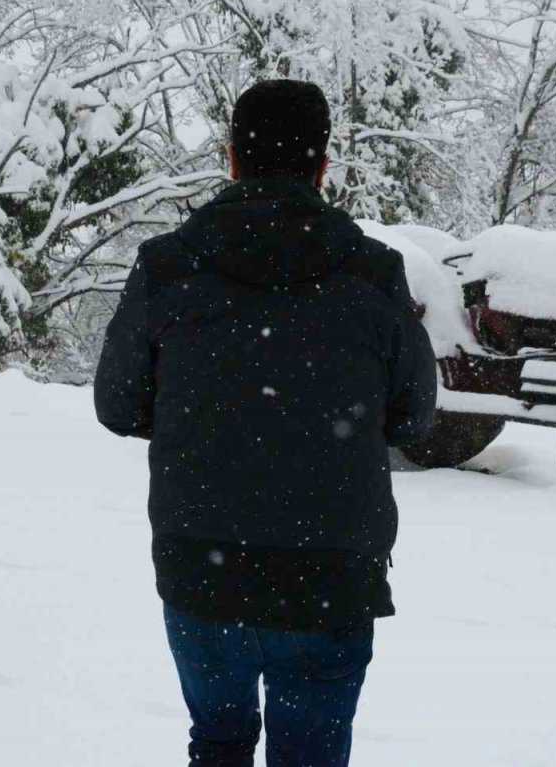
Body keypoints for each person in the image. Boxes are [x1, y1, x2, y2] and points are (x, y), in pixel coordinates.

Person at [93, 78, 438, 766]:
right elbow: (415, 412)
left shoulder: (168, 268)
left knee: (217, 745)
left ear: (231, 158)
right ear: (322, 165)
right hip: (329, 576)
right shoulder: (373, 275)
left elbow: (116, 404)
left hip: (202, 572)